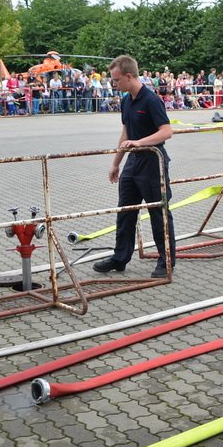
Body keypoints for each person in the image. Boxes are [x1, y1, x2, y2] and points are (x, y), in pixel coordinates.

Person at [93, 55, 176, 280]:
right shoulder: (127, 101)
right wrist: (115, 163)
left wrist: (139, 143)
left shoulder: (150, 100)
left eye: (117, 80)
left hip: (152, 161)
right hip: (133, 163)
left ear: (129, 76)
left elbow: (166, 131)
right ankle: (120, 258)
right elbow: (126, 133)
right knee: (125, 212)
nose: (114, 84)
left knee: (158, 212)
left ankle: (165, 260)